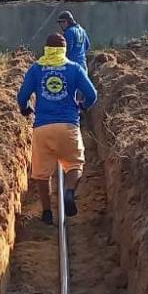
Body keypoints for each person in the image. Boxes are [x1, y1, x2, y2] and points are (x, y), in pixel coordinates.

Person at [16, 33, 98, 225]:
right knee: (75, 165)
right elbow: (92, 94)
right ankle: (69, 192)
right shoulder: (74, 68)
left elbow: (22, 96)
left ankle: (46, 213)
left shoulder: (36, 69)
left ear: (46, 49)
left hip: (42, 128)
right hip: (68, 126)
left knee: (42, 175)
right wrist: (82, 107)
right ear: (63, 50)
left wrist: (26, 109)